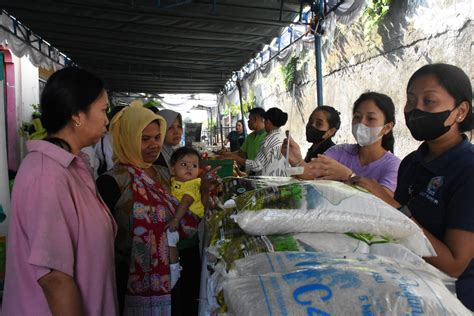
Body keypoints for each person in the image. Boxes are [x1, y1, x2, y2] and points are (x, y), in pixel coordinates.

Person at [354, 64, 474, 311]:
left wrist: (395, 208)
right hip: (409, 278)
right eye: (410, 101)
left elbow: (454, 264)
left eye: (429, 101)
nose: (416, 109)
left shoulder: (468, 169)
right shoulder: (411, 162)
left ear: (460, 111)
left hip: (453, 298)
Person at [2, 67, 118, 316]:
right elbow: (54, 279)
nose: (107, 119)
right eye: (103, 110)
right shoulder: (47, 176)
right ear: (77, 114)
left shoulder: (72, 166)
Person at [96, 106, 175, 315]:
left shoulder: (164, 174)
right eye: (145, 138)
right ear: (127, 139)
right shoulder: (111, 182)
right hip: (125, 279)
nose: (154, 145)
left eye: (157, 137)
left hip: (168, 274)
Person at [287, 92, 400, 195]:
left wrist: (349, 176)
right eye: (357, 117)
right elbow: (309, 173)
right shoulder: (339, 151)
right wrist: (297, 161)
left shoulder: (394, 166)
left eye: (370, 118)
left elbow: (384, 204)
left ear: (387, 127)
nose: (361, 123)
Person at [234, 107, 288, 176]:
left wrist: (234, 158)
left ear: (268, 122)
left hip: (269, 182)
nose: (264, 123)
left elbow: (256, 165)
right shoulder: (282, 136)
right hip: (279, 179)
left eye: (264, 121)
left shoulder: (268, 140)